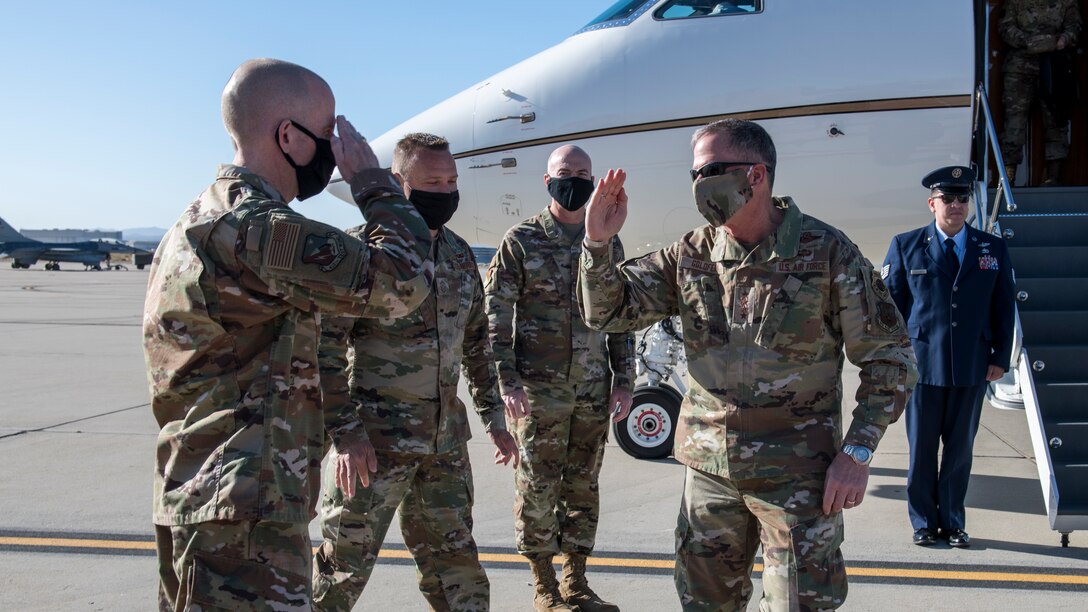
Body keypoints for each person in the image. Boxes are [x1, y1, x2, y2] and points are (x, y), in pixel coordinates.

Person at [576, 119, 918, 611]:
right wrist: (596, 245)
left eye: (711, 170)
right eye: (695, 173)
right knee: (704, 604)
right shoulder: (690, 253)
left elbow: (890, 356)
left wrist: (858, 452)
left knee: (800, 604)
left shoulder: (826, 253)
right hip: (709, 472)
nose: (699, 184)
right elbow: (609, 311)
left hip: (798, 476)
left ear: (756, 175)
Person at [143, 58, 435, 611]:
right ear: (287, 136)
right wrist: (372, 183)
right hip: (245, 515)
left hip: (209, 499)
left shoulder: (196, 220)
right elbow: (403, 281)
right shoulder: (259, 229)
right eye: (330, 135)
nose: (338, 148)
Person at [311, 133, 519, 611]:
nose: (444, 191)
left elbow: (476, 346)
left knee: (457, 568)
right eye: (431, 182)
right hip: (372, 448)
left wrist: (494, 419)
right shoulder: (361, 255)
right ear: (399, 184)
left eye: (450, 180)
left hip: (444, 444)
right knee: (341, 570)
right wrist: (344, 435)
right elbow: (321, 353)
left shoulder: (461, 255)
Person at [484, 144, 636, 612]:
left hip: (591, 389)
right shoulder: (522, 240)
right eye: (565, 173)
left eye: (583, 173)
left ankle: (576, 581)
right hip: (538, 390)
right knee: (537, 485)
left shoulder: (606, 238)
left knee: (583, 485)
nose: (575, 180)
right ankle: (544, 586)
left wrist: (625, 378)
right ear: (547, 181)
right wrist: (505, 382)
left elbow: (619, 315)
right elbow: (496, 315)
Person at [882, 166, 1016, 548]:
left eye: (962, 198)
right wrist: (895, 359)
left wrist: (1000, 358)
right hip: (922, 368)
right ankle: (924, 522)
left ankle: (954, 522)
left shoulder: (991, 248)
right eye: (948, 199)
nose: (956, 205)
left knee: (959, 453)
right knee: (922, 451)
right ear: (932, 204)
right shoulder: (907, 246)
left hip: (973, 366)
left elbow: (1003, 306)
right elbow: (892, 310)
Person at [999, 0, 1082, 185]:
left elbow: (1075, 26)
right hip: (1020, 66)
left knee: (1056, 119)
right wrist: (1027, 41)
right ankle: (1008, 177)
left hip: (1055, 65)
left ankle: (1053, 177)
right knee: (1014, 122)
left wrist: (1063, 40)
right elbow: (1006, 27)